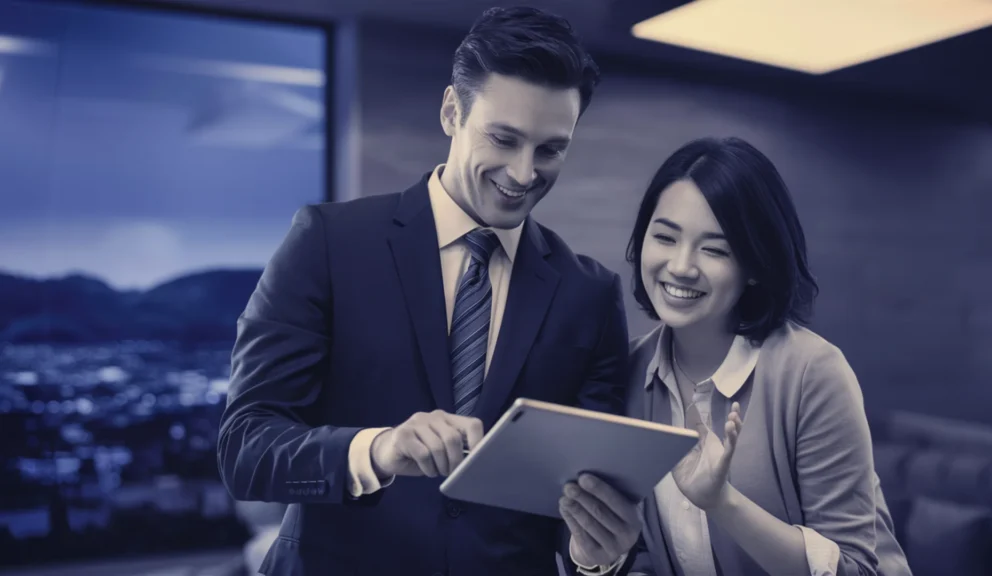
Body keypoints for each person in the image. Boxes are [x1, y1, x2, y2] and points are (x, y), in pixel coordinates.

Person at [217, 7, 642, 576]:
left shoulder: (589, 294)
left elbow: (579, 504)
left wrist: (593, 557)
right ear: (451, 112)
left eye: (550, 149)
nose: (522, 173)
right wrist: (379, 448)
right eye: (503, 138)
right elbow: (245, 449)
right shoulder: (329, 242)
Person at [617, 137, 913, 576]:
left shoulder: (811, 372)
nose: (680, 266)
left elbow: (856, 569)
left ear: (754, 265)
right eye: (664, 237)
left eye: (714, 249)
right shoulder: (629, 371)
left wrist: (723, 503)